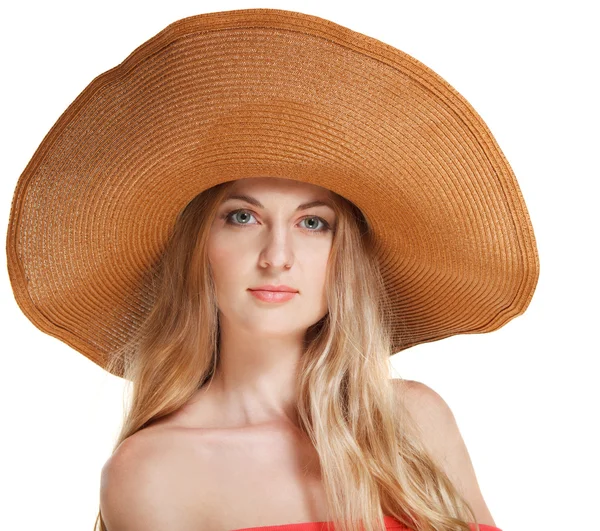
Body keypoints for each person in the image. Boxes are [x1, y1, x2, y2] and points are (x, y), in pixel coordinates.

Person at [6, 8, 539, 531]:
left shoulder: (413, 423)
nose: (277, 256)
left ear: (345, 258)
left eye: (314, 224)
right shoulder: (153, 473)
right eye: (243, 217)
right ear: (199, 246)